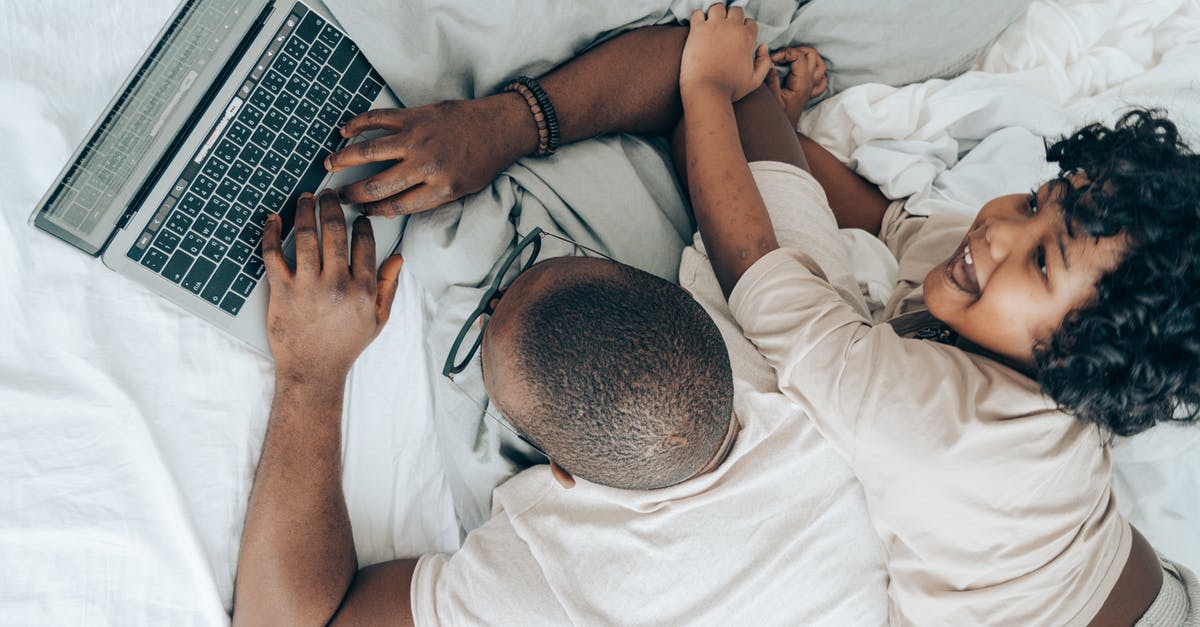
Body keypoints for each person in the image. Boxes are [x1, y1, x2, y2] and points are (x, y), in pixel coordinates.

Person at [673, 6, 1200, 626]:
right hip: (1149, 586)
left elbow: (765, 284)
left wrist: (705, 86)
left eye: (1038, 263)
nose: (999, 226)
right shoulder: (991, 287)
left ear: (1086, 355)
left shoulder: (947, 422)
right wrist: (787, 131)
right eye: (1036, 200)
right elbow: (887, 223)